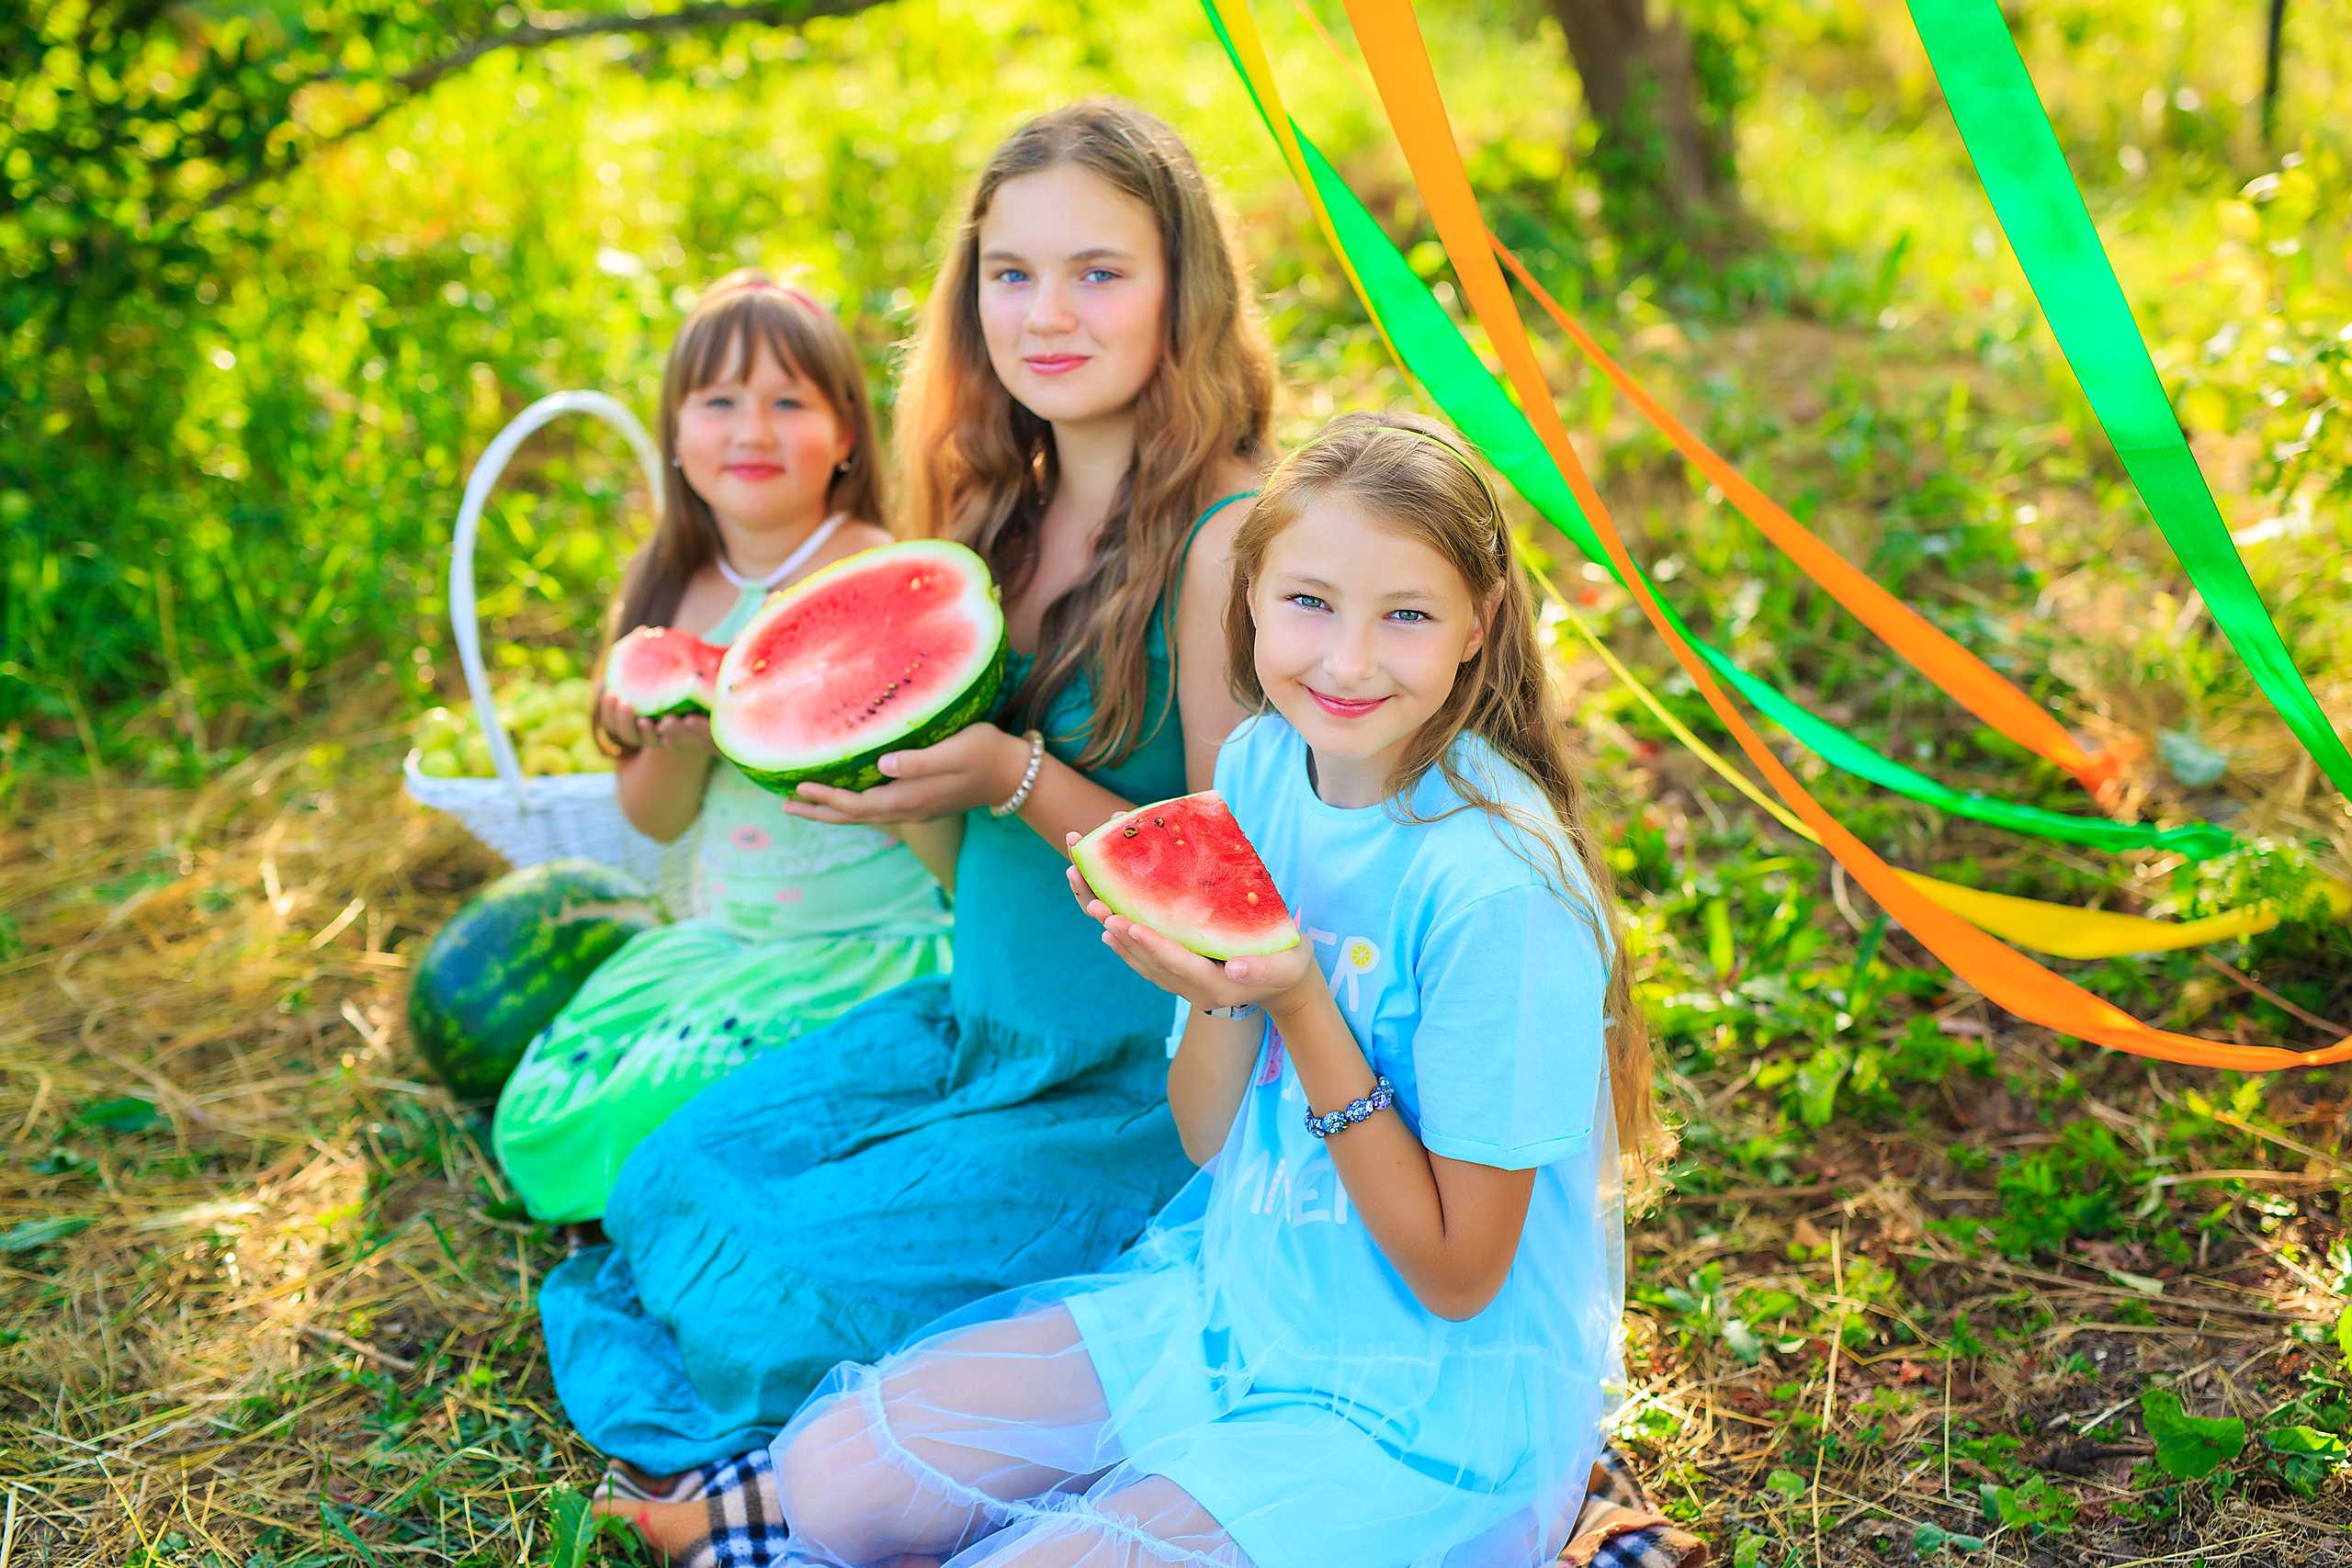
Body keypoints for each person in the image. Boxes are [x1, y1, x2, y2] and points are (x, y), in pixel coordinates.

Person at [611, 412, 1669, 1566]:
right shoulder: (1260, 768)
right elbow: (1210, 1137)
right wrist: (1219, 992)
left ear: (1480, 624)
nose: (1347, 661)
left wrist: (1302, 1007)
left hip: (1424, 1410)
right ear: (1247, 597)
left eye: (1405, 615)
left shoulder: (1498, 891)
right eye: (1308, 602)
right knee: (834, 1484)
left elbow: (1459, 1277)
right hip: (1237, 1309)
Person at [542, 97, 1278, 1488]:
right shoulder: (1000, 513)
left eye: (1098, 272)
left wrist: (1014, 773)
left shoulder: (1230, 538)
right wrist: (881, 780)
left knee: (777, 1287)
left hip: (1132, 1084)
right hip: (977, 1023)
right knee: (664, 1180)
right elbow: (966, 862)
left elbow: (1229, 887)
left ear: (1183, 290)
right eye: (1011, 273)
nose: (1044, 314)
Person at [492, 270, 956, 1225]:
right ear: (674, 433)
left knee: (680, 1109)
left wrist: (826, 730)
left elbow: (941, 815)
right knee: (539, 1118)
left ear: (846, 437)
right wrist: (684, 744)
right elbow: (655, 817)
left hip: (871, 948)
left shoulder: (878, 569)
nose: (752, 431)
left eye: (789, 402)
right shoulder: (666, 583)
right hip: (730, 942)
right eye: (719, 402)